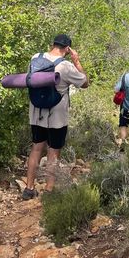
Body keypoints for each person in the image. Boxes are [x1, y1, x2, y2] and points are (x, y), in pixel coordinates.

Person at [22, 33, 88, 200]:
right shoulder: (66, 66)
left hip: (37, 113)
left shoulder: (35, 57)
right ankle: (49, 191)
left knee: (36, 149)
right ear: (67, 49)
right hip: (57, 117)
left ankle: (29, 188)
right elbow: (85, 83)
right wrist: (77, 61)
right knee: (53, 152)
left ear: (52, 44)